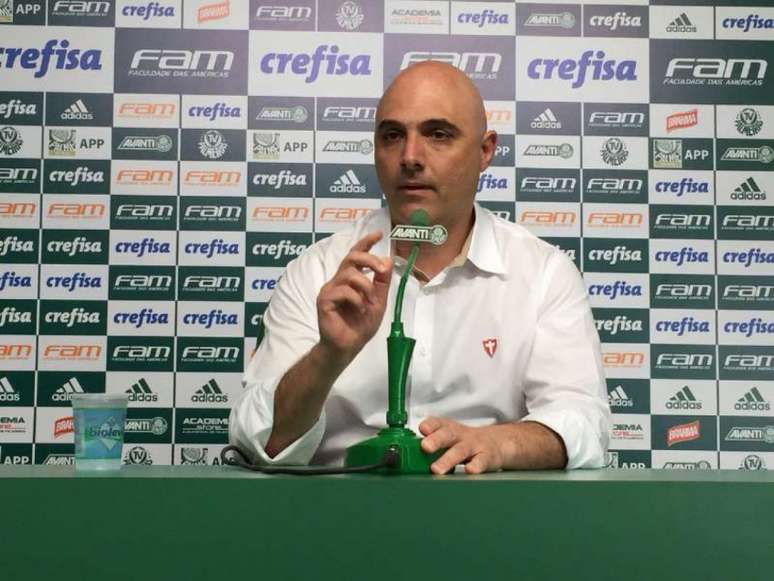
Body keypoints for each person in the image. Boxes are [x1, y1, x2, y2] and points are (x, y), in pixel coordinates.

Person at [230, 61, 610, 473]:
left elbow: (584, 425)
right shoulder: (318, 271)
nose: (410, 157)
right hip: (337, 520)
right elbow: (255, 439)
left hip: (490, 518)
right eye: (393, 136)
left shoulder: (543, 274)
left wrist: (498, 444)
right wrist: (328, 356)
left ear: (486, 151)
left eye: (438, 135)